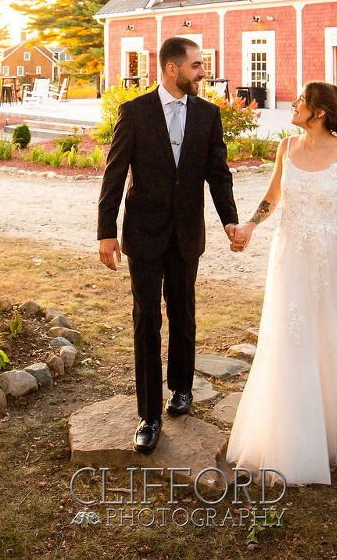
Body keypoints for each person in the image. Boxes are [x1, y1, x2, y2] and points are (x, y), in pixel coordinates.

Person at [224, 81, 337, 486]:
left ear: (319, 112)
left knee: (332, 339)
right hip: (289, 257)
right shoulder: (286, 147)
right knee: (291, 339)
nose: (293, 103)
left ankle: (336, 427)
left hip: (331, 258)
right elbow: (273, 196)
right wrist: (251, 225)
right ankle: (292, 433)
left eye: (301, 100)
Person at [96, 37, 239, 454]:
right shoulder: (135, 112)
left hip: (186, 235)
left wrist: (229, 219)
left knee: (183, 314)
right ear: (173, 69)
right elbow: (114, 173)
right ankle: (148, 415)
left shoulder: (208, 115)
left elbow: (219, 173)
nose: (203, 72)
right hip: (143, 234)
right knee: (146, 321)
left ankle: (180, 388)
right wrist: (106, 231)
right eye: (196, 66)